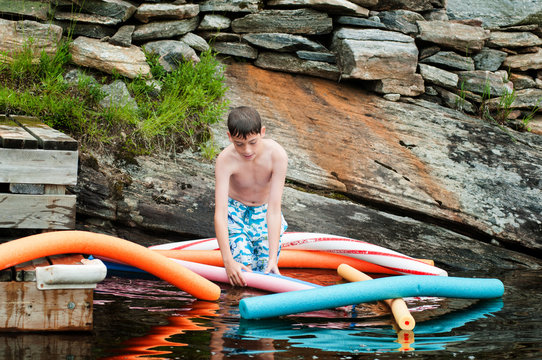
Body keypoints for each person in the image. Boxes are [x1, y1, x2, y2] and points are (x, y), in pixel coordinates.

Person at [214, 106, 288, 287]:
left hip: (264, 212)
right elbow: (221, 213)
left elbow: (274, 208)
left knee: (265, 270)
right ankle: (235, 310)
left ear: (262, 133)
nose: (247, 150)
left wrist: (273, 257)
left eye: (253, 142)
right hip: (235, 212)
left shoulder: (277, 155)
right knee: (243, 272)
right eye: (239, 144)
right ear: (229, 137)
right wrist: (227, 260)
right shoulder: (225, 160)